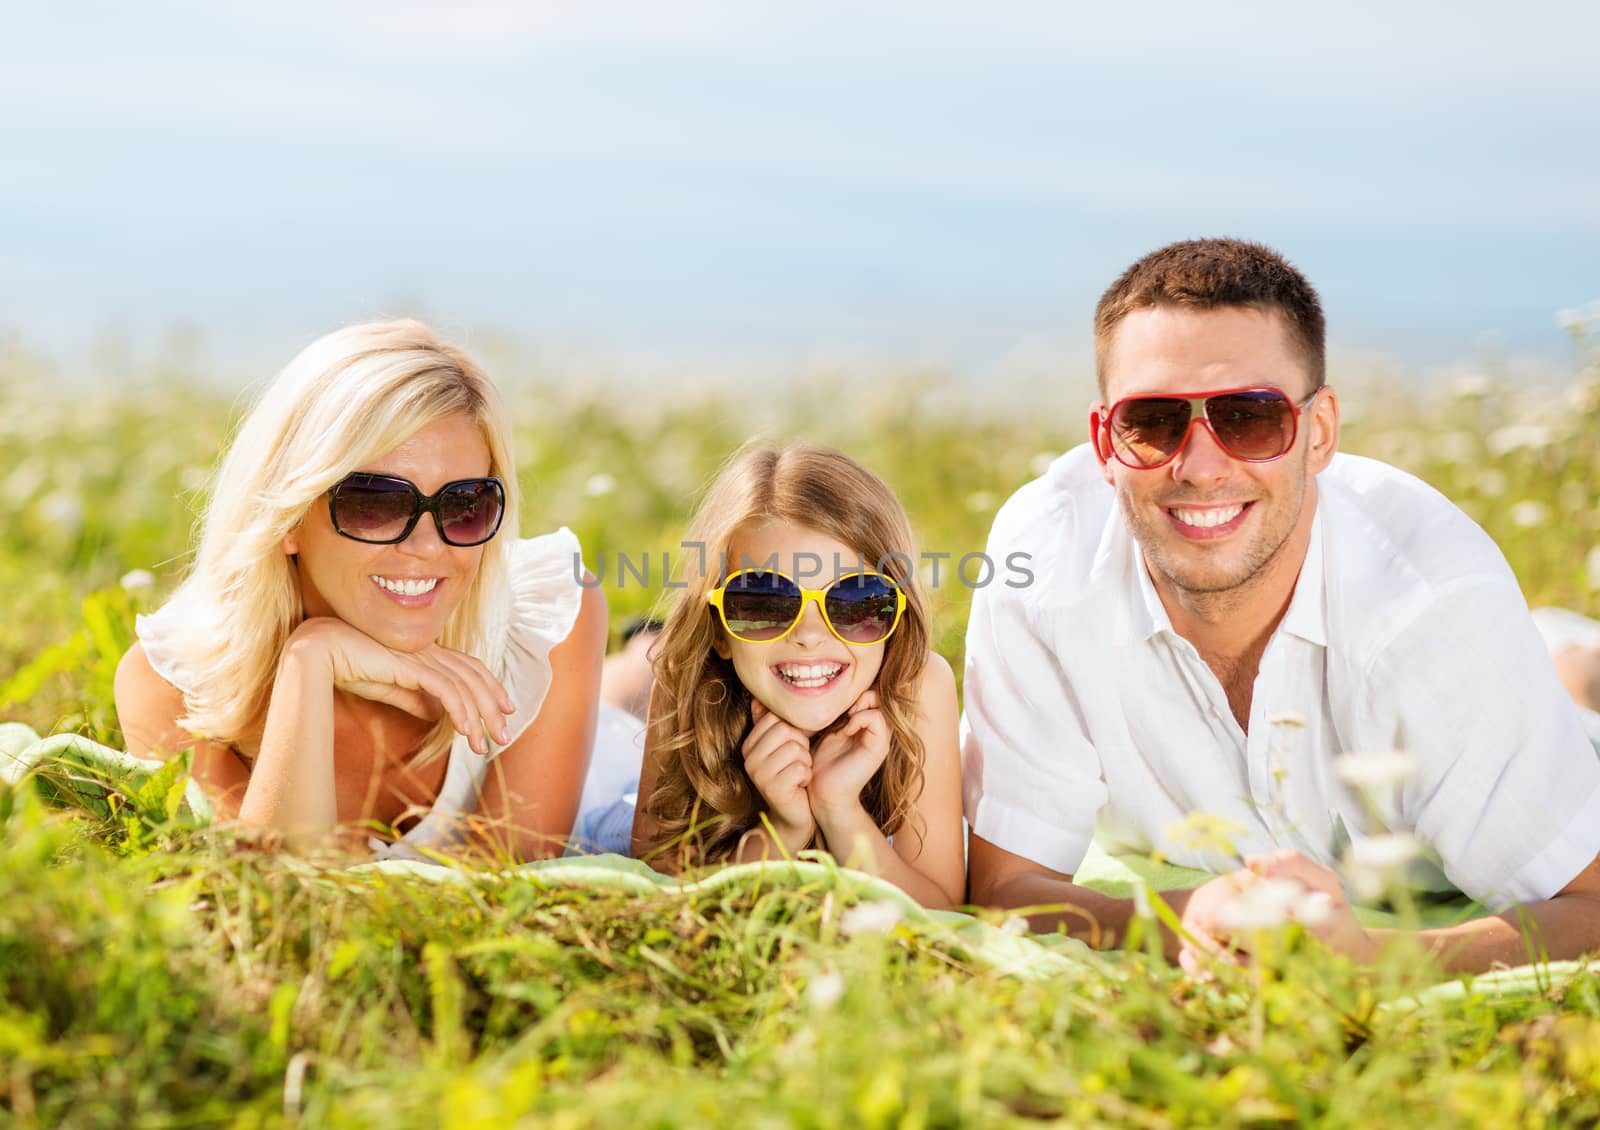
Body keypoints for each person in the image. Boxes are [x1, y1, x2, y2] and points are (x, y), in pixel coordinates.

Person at [962, 238, 1600, 972]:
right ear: (1105, 442)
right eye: (1153, 422)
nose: (1200, 468)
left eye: (1250, 418)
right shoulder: (1043, 566)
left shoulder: (1435, 606)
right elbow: (1010, 887)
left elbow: (1589, 901)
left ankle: (1572, 665)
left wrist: (1373, 957)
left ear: (1319, 432)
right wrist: (1183, 922)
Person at [114, 319, 611, 862]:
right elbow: (269, 902)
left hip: (614, 753)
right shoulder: (174, 686)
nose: (427, 546)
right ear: (287, 520)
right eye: (376, 503)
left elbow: (503, 891)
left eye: (465, 504)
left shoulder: (548, 622)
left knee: (642, 677)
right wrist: (310, 658)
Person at [630, 444, 965, 907]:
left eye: (856, 601)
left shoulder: (919, 684)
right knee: (629, 679)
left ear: (896, 616)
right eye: (763, 603)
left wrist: (839, 810)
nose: (810, 636)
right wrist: (782, 831)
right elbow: (654, 888)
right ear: (719, 631)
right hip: (653, 692)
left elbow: (940, 909)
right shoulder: (685, 669)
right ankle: (632, 652)